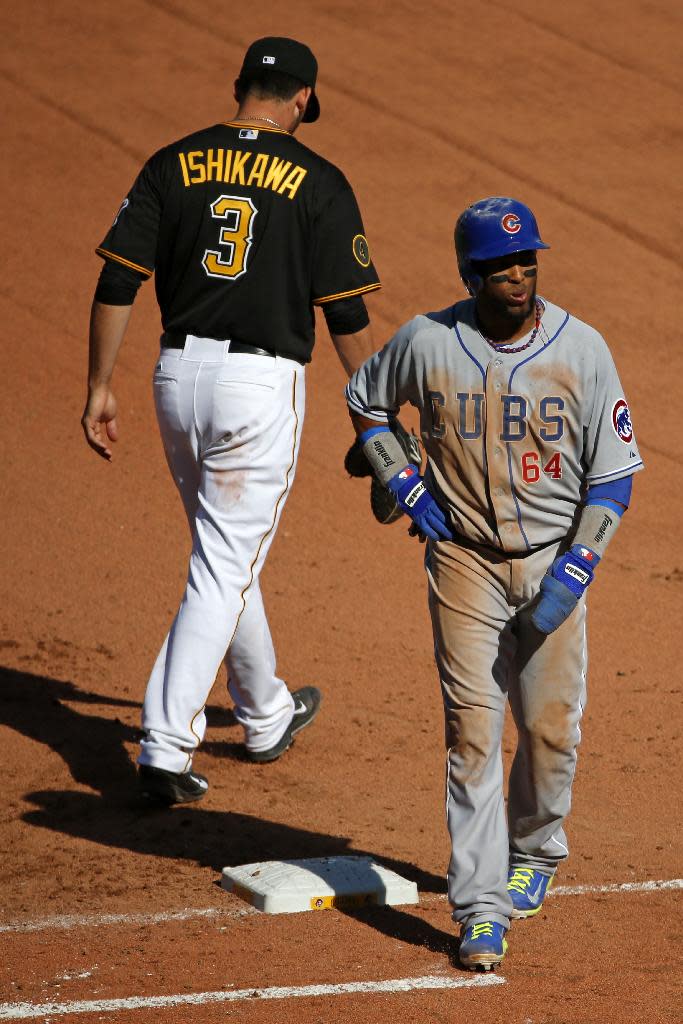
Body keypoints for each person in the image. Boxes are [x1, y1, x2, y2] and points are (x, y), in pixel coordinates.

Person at [345, 196, 642, 970]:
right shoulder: (427, 341)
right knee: (472, 733)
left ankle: (536, 851)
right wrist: (403, 484)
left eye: (526, 260)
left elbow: (611, 480)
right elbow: (365, 403)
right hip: (463, 563)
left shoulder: (581, 350)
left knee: (548, 732)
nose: (519, 274)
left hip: (552, 557)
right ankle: (479, 908)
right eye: (501, 265)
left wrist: (576, 568)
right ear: (471, 273)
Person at [81, 37, 380, 805]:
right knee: (221, 563)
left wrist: (98, 385)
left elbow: (119, 277)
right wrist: (372, 405)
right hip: (257, 387)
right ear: (303, 99)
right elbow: (343, 308)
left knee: (222, 550)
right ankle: (165, 747)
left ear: (242, 86)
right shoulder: (316, 179)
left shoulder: (172, 162)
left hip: (176, 379)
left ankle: (264, 713)